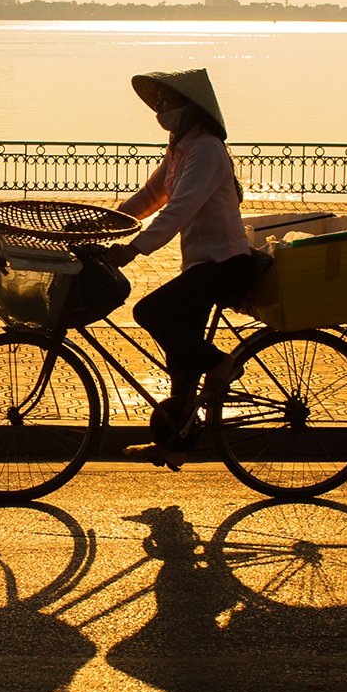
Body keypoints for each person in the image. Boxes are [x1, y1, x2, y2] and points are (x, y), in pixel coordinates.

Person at [104, 68, 257, 442]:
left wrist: (134, 249)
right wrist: (104, 226)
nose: (159, 107)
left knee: (151, 311)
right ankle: (176, 445)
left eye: (166, 100)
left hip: (227, 265)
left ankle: (221, 363)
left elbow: (179, 209)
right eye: (157, 101)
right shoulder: (179, 150)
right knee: (181, 364)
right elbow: (149, 198)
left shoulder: (206, 149)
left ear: (191, 107)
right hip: (203, 266)